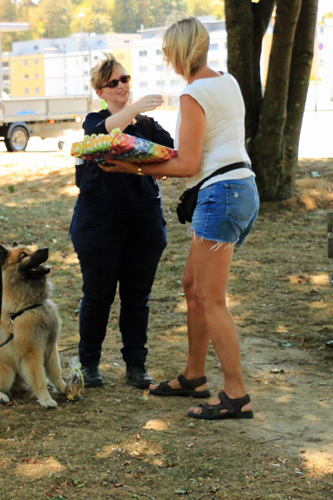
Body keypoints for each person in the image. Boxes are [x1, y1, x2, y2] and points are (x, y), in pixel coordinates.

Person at [102, 16, 259, 419]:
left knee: (209, 298)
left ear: (179, 51)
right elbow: (201, 150)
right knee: (193, 285)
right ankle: (193, 376)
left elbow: (188, 164)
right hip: (239, 189)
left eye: (167, 51)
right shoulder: (227, 81)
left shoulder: (193, 93)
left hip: (221, 194)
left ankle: (236, 395)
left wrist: (132, 167)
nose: (166, 58)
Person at [71, 53, 174, 390]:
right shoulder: (94, 121)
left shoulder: (147, 126)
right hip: (99, 224)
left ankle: (137, 365)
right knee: (97, 296)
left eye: (125, 79)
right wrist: (135, 107)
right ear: (100, 91)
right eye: (112, 82)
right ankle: (89, 364)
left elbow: (173, 157)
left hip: (143, 223)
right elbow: (104, 131)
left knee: (136, 298)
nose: (121, 86)